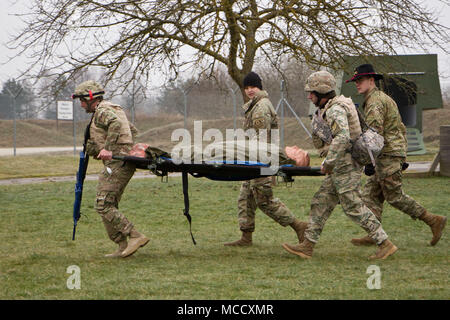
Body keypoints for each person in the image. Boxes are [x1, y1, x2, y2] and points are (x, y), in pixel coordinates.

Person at [282, 70, 398, 260]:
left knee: (353, 206)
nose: (309, 96)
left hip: (345, 165)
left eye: (312, 92)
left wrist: (329, 162)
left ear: (321, 91)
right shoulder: (334, 106)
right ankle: (307, 246)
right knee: (321, 202)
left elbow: (342, 138)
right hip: (341, 165)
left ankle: (384, 243)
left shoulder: (335, 109)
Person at [346, 64, 447, 246]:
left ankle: (433, 220)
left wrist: (370, 159)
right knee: (370, 194)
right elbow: (398, 127)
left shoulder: (375, 101)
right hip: (388, 152)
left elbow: (374, 132)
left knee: (394, 196)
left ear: (371, 80)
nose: (357, 84)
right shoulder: (379, 98)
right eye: (355, 81)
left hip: (387, 154)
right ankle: (374, 234)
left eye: (360, 80)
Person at [224, 71, 307, 246]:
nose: (249, 90)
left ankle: (299, 226)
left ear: (259, 87)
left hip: (261, 161)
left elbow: (260, 138)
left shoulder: (261, 107)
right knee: (245, 197)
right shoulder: (254, 105)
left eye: (253, 86)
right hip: (253, 160)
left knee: (264, 201)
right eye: (246, 87)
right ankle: (246, 237)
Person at [72, 80, 149, 258]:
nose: (81, 104)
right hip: (121, 160)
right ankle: (121, 245)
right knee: (107, 203)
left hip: (117, 162)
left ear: (91, 98)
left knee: (103, 204)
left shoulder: (102, 111)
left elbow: (115, 124)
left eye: (82, 100)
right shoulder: (112, 108)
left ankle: (135, 235)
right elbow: (131, 130)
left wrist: (108, 147)